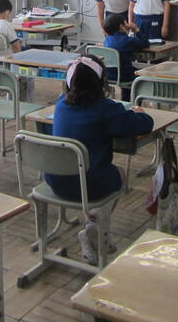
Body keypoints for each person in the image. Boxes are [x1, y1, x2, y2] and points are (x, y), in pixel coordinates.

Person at [45, 55, 153, 265]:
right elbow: (144, 124)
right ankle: (94, 227)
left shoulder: (60, 104)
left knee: (88, 173)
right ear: (101, 82)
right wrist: (139, 112)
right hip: (90, 184)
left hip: (55, 181)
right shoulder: (105, 109)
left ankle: (92, 229)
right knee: (119, 174)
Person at [103, 14, 149, 101]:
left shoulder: (106, 40)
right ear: (121, 26)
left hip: (108, 75)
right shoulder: (127, 41)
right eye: (125, 23)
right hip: (125, 75)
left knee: (126, 69)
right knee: (140, 75)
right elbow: (145, 43)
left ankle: (126, 100)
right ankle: (135, 102)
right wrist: (136, 30)